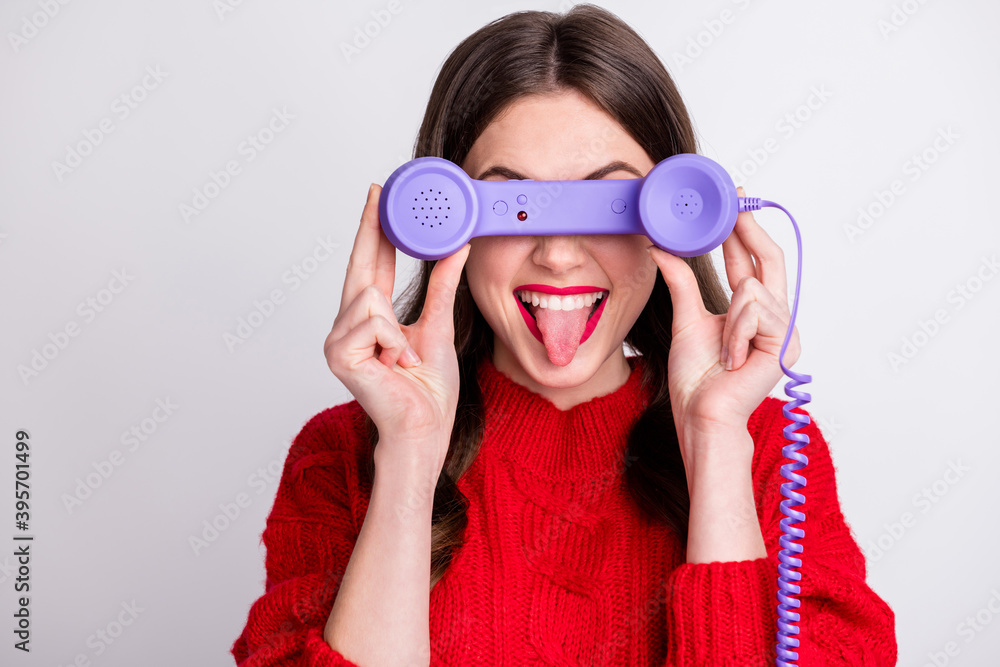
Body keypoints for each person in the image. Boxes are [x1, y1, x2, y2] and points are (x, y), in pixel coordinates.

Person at [231, 5, 897, 665]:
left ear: (678, 218)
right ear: (441, 222)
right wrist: (408, 455)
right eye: (510, 205)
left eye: (610, 204)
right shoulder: (343, 455)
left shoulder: (773, 454)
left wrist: (717, 440)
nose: (557, 252)